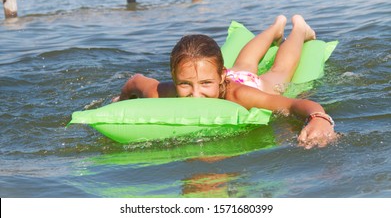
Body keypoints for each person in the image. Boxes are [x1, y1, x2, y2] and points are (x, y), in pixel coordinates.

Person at [113, 15, 337, 149]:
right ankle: (276, 27)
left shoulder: (239, 95)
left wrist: (318, 117)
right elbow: (135, 82)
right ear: (173, 78)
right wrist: (121, 100)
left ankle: (299, 28)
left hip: (252, 84)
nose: (196, 94)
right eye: (185, 85)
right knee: (245, 62)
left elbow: (292, 105)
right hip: (233, 74)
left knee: (280, 71)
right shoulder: (165, 91)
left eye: (205, 84)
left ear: (221, 76)